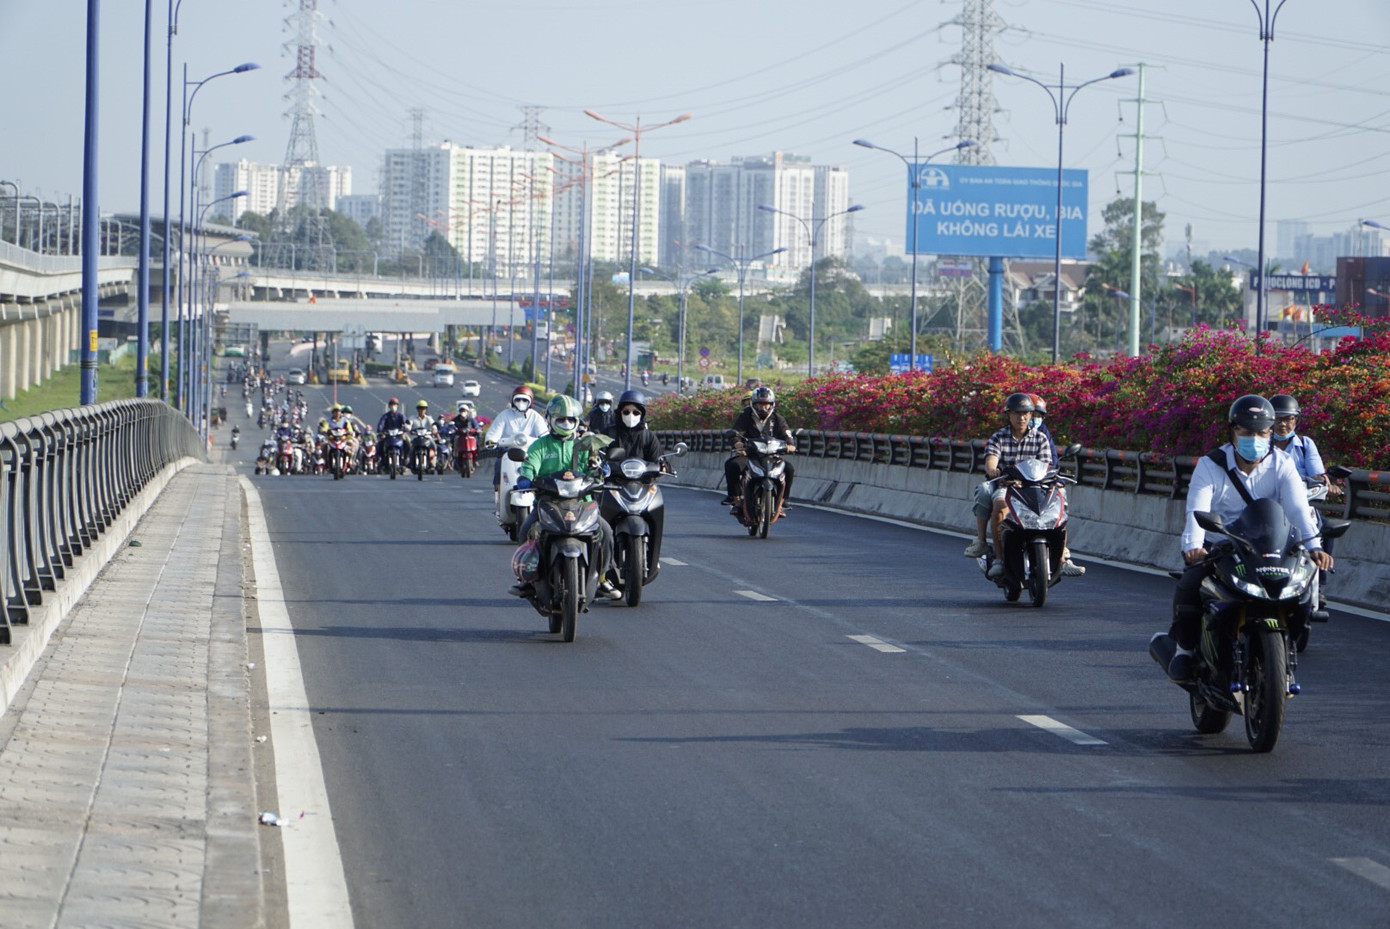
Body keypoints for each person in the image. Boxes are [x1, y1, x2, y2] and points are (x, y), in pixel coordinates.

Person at [1163, 394, 1333, 683]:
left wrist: (1314, 545)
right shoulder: (1211, 464)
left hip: (1269, 547)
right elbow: (1197, 509)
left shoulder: (1282, 464)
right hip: (1221, 546)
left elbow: (1298, 509)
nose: (1254, 439)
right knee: (1191, 585)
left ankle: (1286, 646)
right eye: (1247, 432)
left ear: (1270, 434)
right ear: (1233, 431)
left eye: (1261, 432)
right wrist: (1193, 547)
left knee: (1301, 590)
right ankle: (1184, 650)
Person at [510, 395, 619, 599]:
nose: (566, 424)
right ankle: (526, 580)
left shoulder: (586, 445)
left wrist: (602, 470)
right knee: (525, 530)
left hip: (582, 504)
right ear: (550, 419)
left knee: (606, 532)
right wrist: (526, 477)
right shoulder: (540, 446)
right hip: (548, 504)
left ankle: (603, 578)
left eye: (571, 420)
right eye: (561, 420)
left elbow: (594, 468)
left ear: (577, 422)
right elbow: (529, 465)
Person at [963, 393, 1053, 579]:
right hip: (1007, 486)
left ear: (1031, 415)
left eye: (1026, 414)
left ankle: (1061, 556)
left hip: (1032, 489)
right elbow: (991, 461)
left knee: (1057, 501)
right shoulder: (999, 438)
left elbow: (1046, 466)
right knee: (998, 502)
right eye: (1017, 413)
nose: (1021, 418)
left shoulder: (1041, 439)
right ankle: (998, 557)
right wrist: (994, 470)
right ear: (1009, 415)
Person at [722, 386, 797, 510]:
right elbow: (736, 432)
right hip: (749, 455)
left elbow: (786, 434)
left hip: (772, 456)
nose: (763, 408)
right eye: (760, 404)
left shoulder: (778, 419)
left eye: (766, 405)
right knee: (732, 465)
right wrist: (738, 444)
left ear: (772, 405)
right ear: (753, 404)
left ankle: (783, 501)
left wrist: (790, 445)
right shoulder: (745, 416)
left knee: (789, 468)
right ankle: (734, 498)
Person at [485, 385, 549, 490]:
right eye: (518, 399)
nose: (521, 402)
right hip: (508, 451)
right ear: (513, 401)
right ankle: (498, 489)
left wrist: (544, 441)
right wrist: (491, 440)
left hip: (531, 452)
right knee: (499, 464)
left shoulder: (535, 416)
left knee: (543, 471)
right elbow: (493, 433)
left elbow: (544, 434)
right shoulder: (504, 415)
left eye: (524, 400)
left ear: (530, 402)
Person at [408, 399, 438, 470]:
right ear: (417, 409)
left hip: (426, 437)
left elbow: (433, 425)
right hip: (415, 437)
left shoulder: (429, 418)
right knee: (409, 446)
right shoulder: (413, 418)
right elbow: (408, 424)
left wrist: (434, 429)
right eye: (420, 408)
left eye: (423, 408)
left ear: (426, 410)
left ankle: (433, 461)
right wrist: (408, 428)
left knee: (434, 445)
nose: (422, 410)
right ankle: (409, 460)